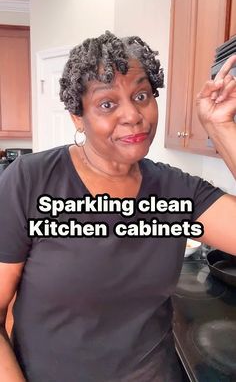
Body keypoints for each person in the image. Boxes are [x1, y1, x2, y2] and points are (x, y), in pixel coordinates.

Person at [0, 31, 235, 382]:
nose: (133, 116)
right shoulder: (30, 181)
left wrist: (221, 129)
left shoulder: (175, 189)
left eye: (141, 96)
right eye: (107, 104)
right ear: (77, 117)